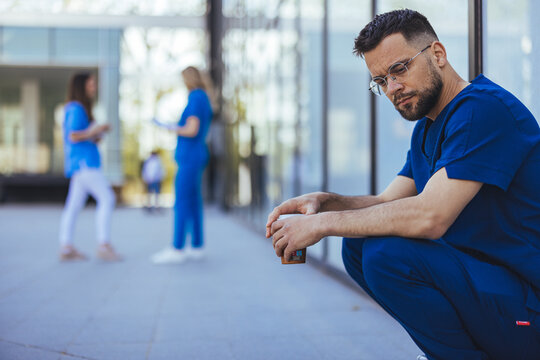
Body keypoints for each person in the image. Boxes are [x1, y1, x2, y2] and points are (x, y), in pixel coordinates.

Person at [266, 9, 540, 360]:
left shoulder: (482, 111)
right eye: (380, 81)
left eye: (399, 69)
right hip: (490, 292)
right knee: (358, 246)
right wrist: (326, 202)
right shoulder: (427, 130)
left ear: (438, 55)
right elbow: (386, 203)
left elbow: (430, 217)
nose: (392, 88)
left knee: (387, 256)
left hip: (526, 304)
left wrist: (321, 225)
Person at [150, 66, 213, 264]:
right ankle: (196, 245)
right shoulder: (204, 98)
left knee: (182, 202)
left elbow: (191, 129)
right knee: (193, 202)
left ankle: (177, 248)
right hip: (196, 155)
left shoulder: (195, 97)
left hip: (190, 157)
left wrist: (169, 127)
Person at [59, 73, 122, 262]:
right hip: (85, 164)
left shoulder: (78, 108)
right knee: (107, 198)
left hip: (80, 164)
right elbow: (73, 136)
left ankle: (66, 247)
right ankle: (103, 245)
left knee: (74, 206)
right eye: (91, 83)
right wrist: (94, 130)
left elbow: (82, 136)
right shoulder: (76, 108)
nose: (94, 87)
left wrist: (96, 135)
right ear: (82, 86)